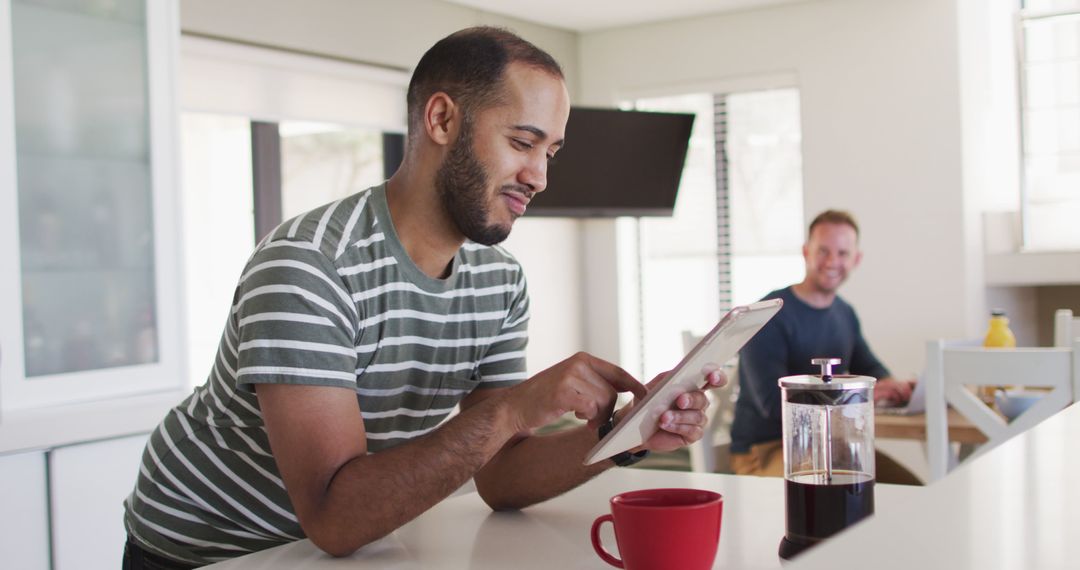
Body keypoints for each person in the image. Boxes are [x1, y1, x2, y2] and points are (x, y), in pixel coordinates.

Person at [121, 26, 724, 569]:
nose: (540, 175)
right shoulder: (309, 265)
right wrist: (515, 407)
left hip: (335, 550)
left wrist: (630, 432)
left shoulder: (499, 282)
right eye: (522, 141)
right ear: (441, 121)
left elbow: (501, 479)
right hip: (207, 551)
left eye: (550, 152)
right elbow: (335, 516)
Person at [729, 209, 920, 484]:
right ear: (806, 252)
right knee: (832, 492)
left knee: (909, 489)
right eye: (823, 251)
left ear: (856, 259)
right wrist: (863, 396)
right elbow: (773, 405)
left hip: (830, 446)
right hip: (766, 449)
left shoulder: (845, 314)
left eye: (843, 253)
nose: (832, 261)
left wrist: (895, 387)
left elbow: (870, 366)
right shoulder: (768, 315)